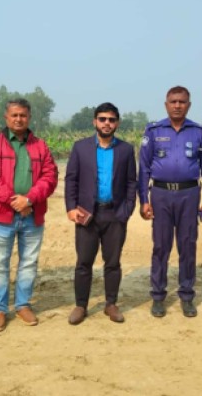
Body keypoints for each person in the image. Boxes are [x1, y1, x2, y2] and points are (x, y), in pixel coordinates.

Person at [0, 99, 58, 332]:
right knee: (0, 264)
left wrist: (29, 199)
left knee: (29, 263)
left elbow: (50, 176)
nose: (19, 119)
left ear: (29, 118)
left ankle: (22, 305)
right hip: (2, 216)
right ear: (6, 117)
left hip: (32, 215)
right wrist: (15, 201)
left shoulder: (40, 146)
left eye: (23, 115)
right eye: (14, 115)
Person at [138, 86, 202, 318]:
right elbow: (143, 168)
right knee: (160, 246)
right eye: (173, 101)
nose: (177, 105)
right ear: (166, 105)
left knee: (187, 246)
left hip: (189, 194)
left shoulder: (199, 132)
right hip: (161, 194)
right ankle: (158, 296)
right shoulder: (154, 131)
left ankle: (186, 295)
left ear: (188, 105)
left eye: (182, 102)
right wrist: (143, 200)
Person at [64, 102, 137, 325]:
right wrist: (71, 207)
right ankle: (81, 305)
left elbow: (131, 182)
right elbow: (71, 179)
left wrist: (126, 210)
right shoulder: (81, 148)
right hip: (87, 214)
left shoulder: (125, 150)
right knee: (84, 262)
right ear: (95, 121)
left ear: (117, 123)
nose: (107, 123)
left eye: (111, 120)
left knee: (112, 262)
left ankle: (111, 304)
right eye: (103, 119)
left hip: (115, 214)